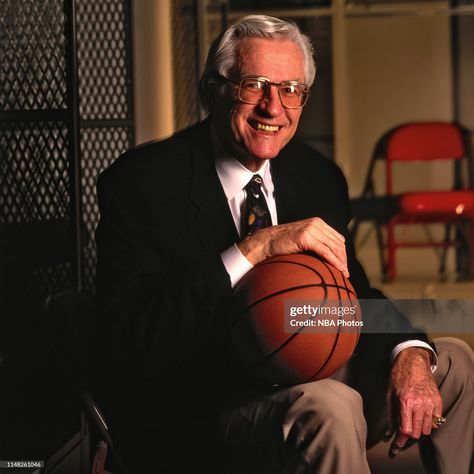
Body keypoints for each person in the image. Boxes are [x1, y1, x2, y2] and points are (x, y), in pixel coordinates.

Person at [94, 15, 473, 473]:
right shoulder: (144, 182)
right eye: (255, 85)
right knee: (330, 405)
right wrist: (257, 248)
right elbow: (130, 337)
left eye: (291, 89)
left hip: (308, 374)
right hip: (205, 410)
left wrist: (408, 351)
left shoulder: (315, 177)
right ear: (215, 89)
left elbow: (352, 298)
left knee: (452, 361)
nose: (274, 108)